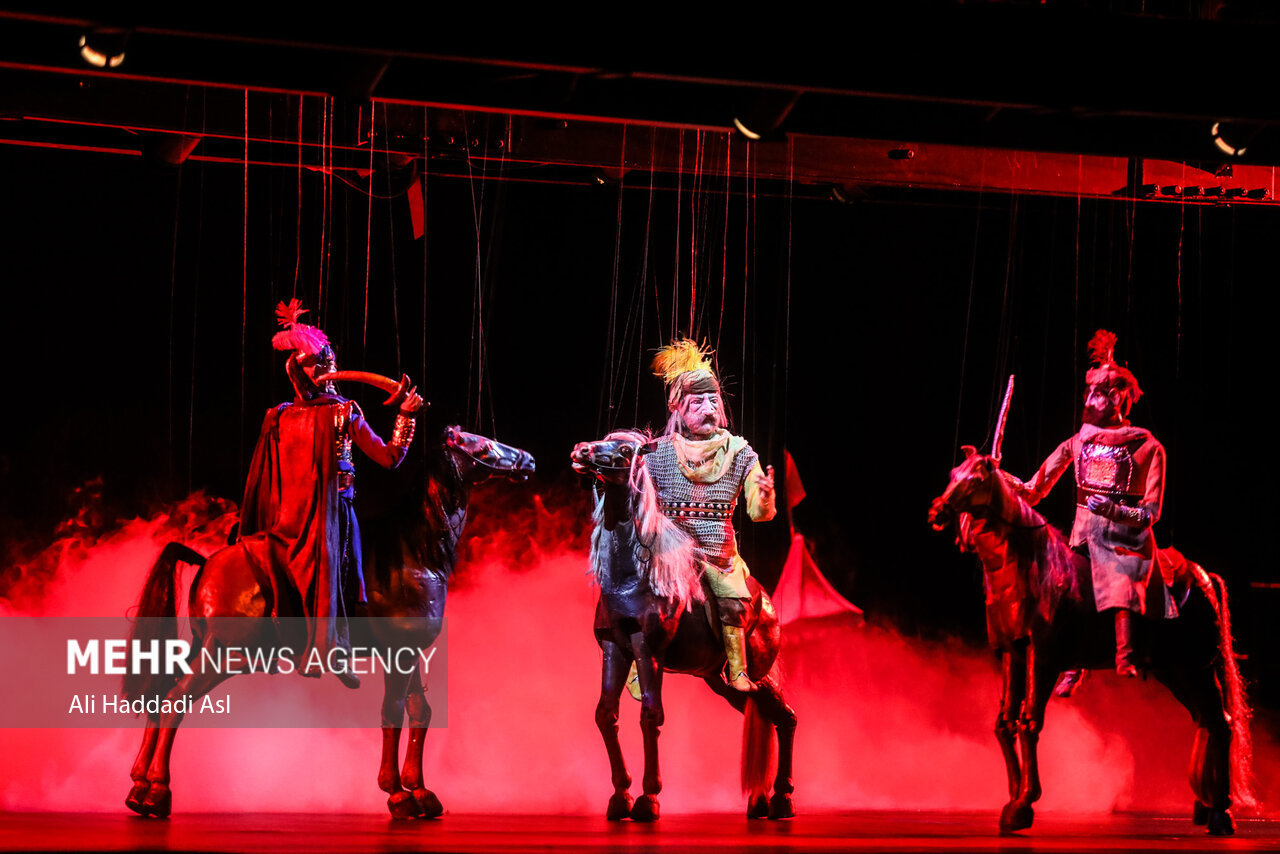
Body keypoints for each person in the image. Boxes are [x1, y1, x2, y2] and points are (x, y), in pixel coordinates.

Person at [237, 299, 422, 688]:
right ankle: (334, 646)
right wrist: (406, 415)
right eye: (320, 364)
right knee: (347, 567)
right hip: (332, 513)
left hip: (284, 518)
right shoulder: (341, 411)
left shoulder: (278, 416)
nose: (325, 369)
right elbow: (389, 457)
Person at [1010, 329, 1170, 688]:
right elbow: (1034, 489)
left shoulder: (1148, 447)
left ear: (1117, 397)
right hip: (1081, 539)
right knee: (1057, 588)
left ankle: (1126, 651)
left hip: (1124, 541)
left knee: (1118, 577)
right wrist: (1002, 480)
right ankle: (1071, 660)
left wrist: (1115, 512)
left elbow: (1151, 512)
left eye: (1100, 393)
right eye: (1090, 393)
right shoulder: (1077, 443)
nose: (1091, 400)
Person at [643, 339, 776, 692]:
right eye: (698, 402)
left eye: (713, 400)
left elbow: (758, 514)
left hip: (717, 552)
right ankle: (634, 669)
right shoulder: (657, 453)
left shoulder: (740, 452)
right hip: (667, 548)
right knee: (632, 593)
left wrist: (764, 496)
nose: (708, 408)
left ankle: (737, 670)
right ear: (679, 408)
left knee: (733, 602)